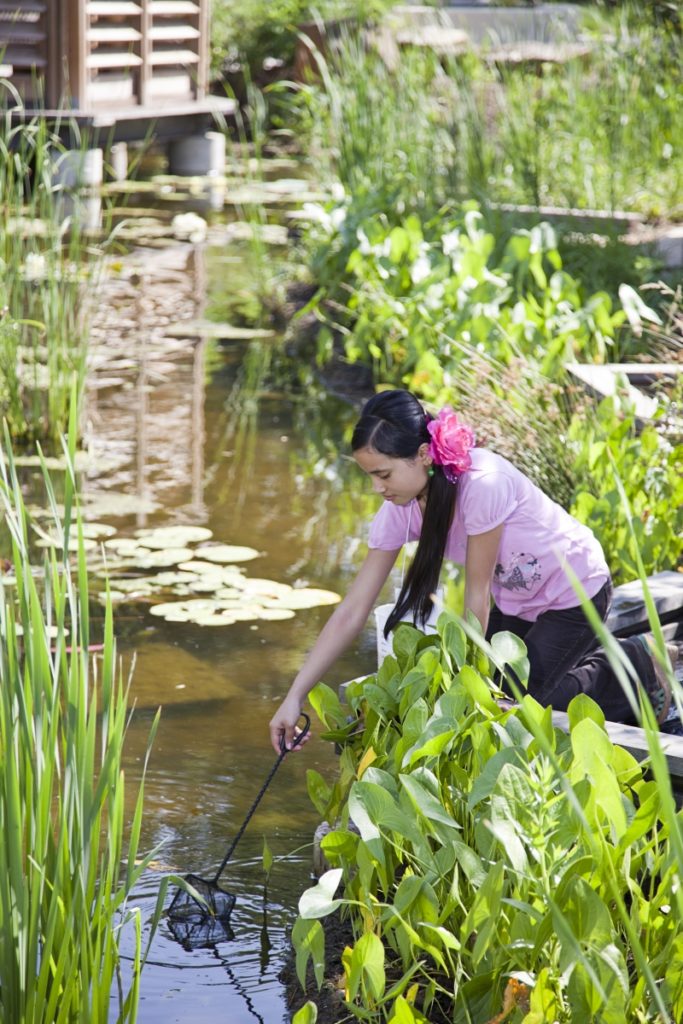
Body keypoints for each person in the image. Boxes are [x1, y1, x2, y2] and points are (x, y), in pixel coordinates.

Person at [269, 389, 678, 753]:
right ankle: (607, 661)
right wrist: (294, 696)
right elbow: (352, 611)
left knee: (509, 704)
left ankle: (636, 663)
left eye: (383, 474)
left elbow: (476, 596)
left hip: (576, 590)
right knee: (495, 695)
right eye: (370, 476)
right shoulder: (399, 509)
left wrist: (464, 686)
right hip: (517, 601)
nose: (378, 488)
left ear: (423, 455)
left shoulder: (482, 484)